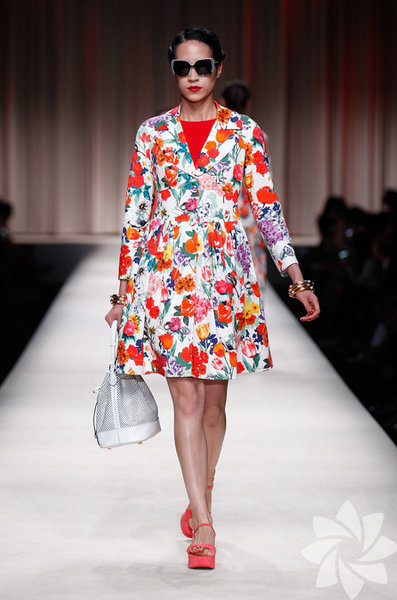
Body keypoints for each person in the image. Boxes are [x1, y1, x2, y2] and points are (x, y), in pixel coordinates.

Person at [105, 26, 320, 570]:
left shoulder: (245, 133)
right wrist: (124, 291)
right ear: (173, 72)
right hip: (169, 279)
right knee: (187, 401)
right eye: (183, 67)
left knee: (215, 407)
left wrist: (296, 277)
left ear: (218, 68)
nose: (193, 76)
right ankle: (203, 522)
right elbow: (135, 214)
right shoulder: (152, 133)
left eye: (202, 66)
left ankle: (203, 485)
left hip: (224, 281)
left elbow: (267, 209)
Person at [220, 80, 270, 289]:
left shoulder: (216, 136)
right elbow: (262, 182)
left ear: (222, 102)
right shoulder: (258, 135)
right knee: (254, 270)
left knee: (225, 272)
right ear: (248, 103)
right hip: (250, 214)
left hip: (223, 213)